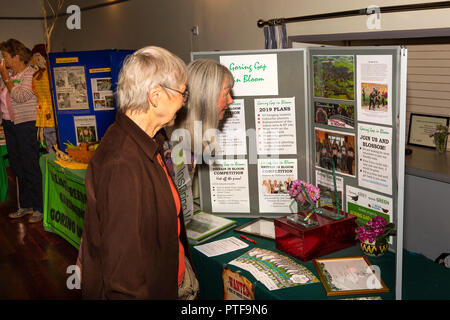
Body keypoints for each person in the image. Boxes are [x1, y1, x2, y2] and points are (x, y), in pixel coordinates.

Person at [80, 46, 198, 299]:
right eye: (182, 93)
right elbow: (123, 277)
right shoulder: (122, 164)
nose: (184, 102)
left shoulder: (144, 142)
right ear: (155, 96)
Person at [164, 59, 234, 224]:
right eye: (226, 93)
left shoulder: (187, 141)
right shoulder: (175, 148)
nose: (231, 100)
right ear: (206, 98)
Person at [0, 39, 43, 223]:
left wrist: (7, 79)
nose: (3, 60)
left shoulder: (30, 74)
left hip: (26, 125)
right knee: (17, 167)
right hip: (10, 125)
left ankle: (39, 207)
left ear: (16, 56)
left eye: (5, 56)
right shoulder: (8, 74)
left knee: (30, 166)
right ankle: (25, 205)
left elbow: (20, 96)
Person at [29, 44, 57, 153]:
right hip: (43, 110)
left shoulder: (51, 73)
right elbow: (35, 92)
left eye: (38, 56)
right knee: (47, 137)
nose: (36, 59)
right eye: (35, 57)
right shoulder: (36, 75)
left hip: (50, 111)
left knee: (52, 137)